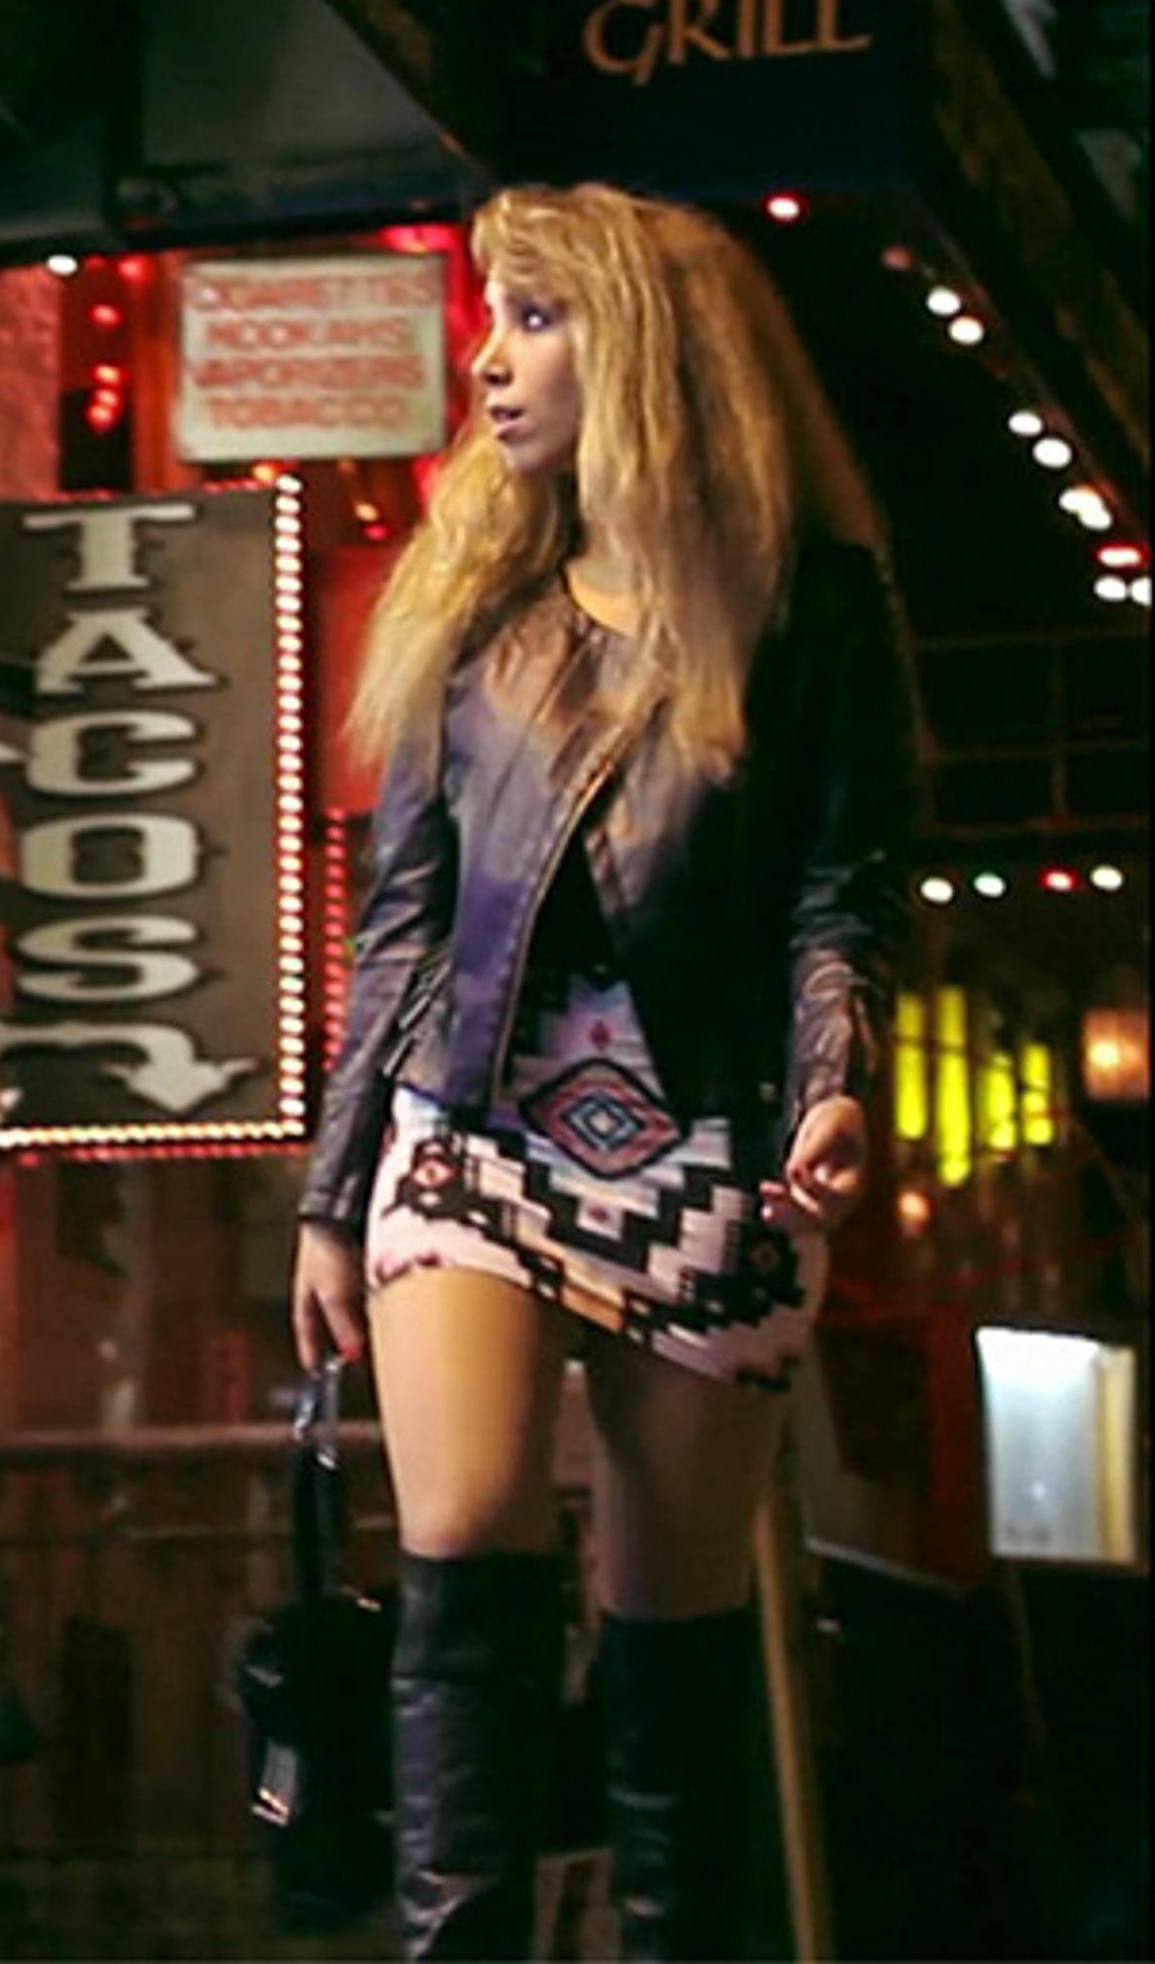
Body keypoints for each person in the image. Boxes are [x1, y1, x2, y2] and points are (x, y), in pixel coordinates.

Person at [291, 184, 916, 1961]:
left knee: (673, 1610)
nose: (488, 358)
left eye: (539, 319)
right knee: (466, 1524)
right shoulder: (469, 603)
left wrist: (833, 1081)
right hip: (470, 1130)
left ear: (647, 348)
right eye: (493, 318)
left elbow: (840, 890)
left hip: (722, 1141)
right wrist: (335, 1196)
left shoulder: (814, 606)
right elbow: (397, 926)